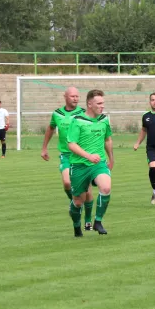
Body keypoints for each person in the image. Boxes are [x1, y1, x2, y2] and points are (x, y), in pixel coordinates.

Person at [41, 87, 95, 231]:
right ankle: (75, 202)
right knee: (66, 183)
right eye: (72, 96)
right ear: (65, 96)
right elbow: (51, 128)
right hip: (66, 155)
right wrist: (44, 148)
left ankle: (88, 220)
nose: (75, 99)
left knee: (88, 191)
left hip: (82, 156)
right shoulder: (57, 114)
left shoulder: (84, 113)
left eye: (77, 96)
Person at [67, 89, 114, 237]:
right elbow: (71, 144)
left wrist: (111, 158)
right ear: (89, 104)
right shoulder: (77, 120)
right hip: (79, 165)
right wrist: (88, 156)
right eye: (99, 103)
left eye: (103, 103)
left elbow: (107, 139)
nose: (102, 106)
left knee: (106, 188)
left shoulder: (104, 120)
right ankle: (76, 226)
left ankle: (98, 221)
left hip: (98, 163)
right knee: (78, 201)